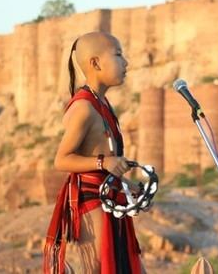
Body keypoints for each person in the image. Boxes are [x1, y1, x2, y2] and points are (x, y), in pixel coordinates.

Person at [44, 31, 144, 274]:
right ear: (95, 63)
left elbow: (108, 161)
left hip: (111, 194)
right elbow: (62, 159)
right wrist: (104, 163)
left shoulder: (102, 103)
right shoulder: (84, 108)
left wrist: (128, 185)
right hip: (92, 200)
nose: (126, 62)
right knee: (99, 269)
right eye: (118, 55)